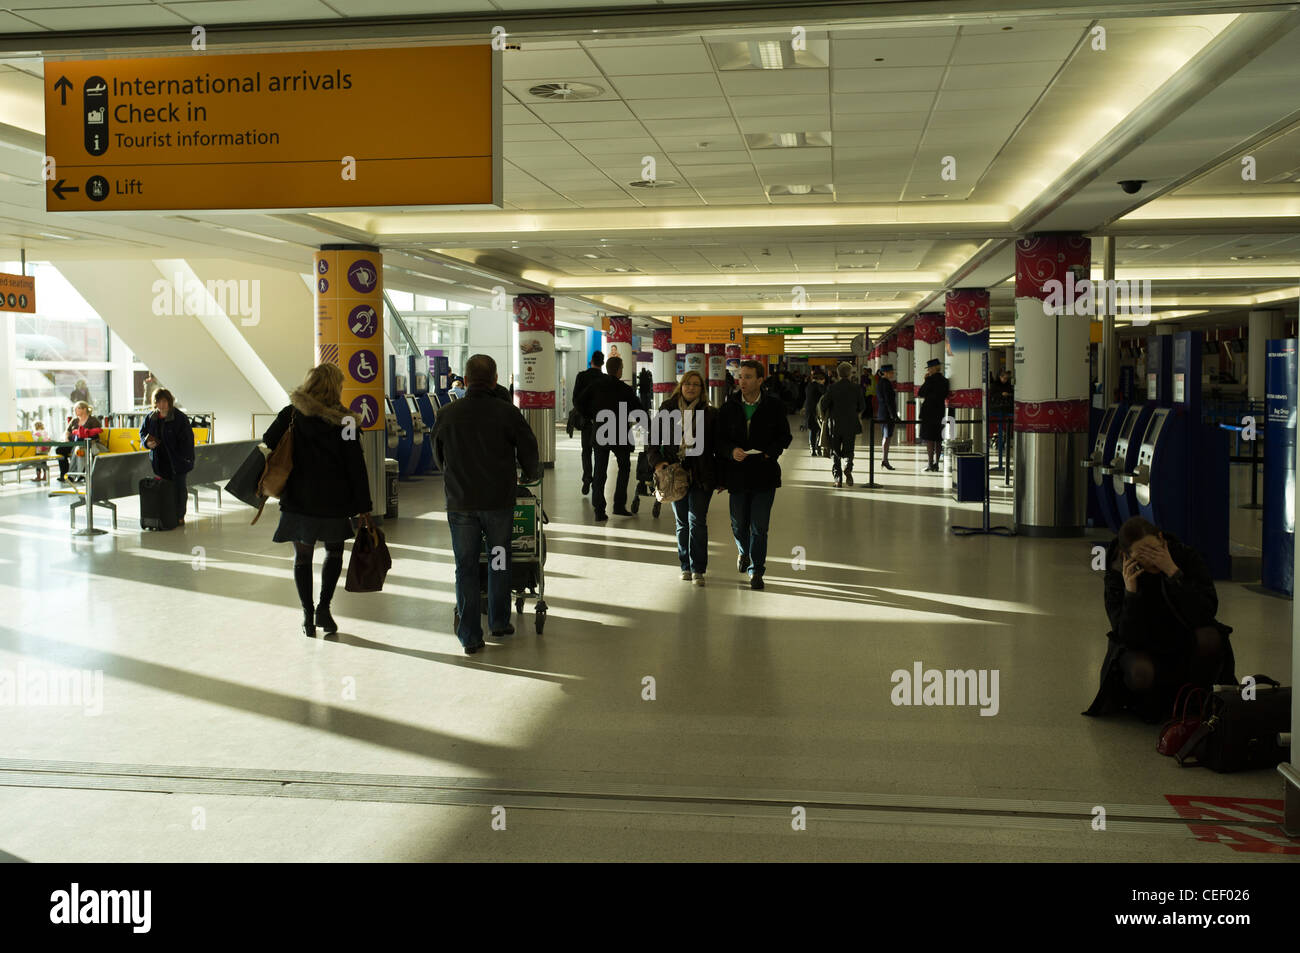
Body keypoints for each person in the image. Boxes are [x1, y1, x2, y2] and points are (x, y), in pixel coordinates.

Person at [433, 354, 540, 655]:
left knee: (465, 567)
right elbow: (529, 451)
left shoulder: (446, 413)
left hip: (461, 501)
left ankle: (469, 636)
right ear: (494, 380)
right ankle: (499, 621)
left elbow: (437, 456)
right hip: (498, 501)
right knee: (498, 559)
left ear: (465, 380)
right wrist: (530, 474)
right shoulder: (507, 413)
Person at [1083, 517, 1235, 723]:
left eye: (1154, 550)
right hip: (1143, 645)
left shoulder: (1184, 556)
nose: (1151, 560)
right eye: (1142, 555)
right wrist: (1131, 593)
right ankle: (1147, 705)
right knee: (1140, 672)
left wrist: (1174, 573)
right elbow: (1126, 636)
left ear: (1162, 540)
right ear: (1126, 556)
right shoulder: (1118, 571)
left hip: (1182, 638)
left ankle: (1194, 702)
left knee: (1210, 637)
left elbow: (1206, 612)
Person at [263, 364, 374, 639]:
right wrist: (364, 507)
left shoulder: (293, 414)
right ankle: (324, 608)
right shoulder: (345, 421)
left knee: (303, 557)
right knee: (333, 553)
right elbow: (355, 466)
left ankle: (307, 615)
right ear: (335, 387)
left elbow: (268, 439)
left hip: (299, 499)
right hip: (334, 501)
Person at [718, 360, 791, 590]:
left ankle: (757, 571)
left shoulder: (774, 406)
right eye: (741, 376)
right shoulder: (729, 406)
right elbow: (719, 439)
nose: (743, 381)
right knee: (739, 524)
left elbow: (784, 436)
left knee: (759, 526)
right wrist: (731, 451)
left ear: (760, 380)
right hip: (737, 474)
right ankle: (743, 552)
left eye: (748, 377)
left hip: (764, 473)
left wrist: (771, 453)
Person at [647, 370, 720, 585]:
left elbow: (717, 446)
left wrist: (721, 476)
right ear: (681, 386)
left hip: (701, 473)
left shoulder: (709, 413)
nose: (691, 388)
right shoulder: (667, 409)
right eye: (687, 383)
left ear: (702, 389)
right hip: (674, 474)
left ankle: (698, 568)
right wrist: (658, 462)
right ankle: (685, 565)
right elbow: (653, 438)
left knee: (697, 521)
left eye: (696, 385)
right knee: (682, 523)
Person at [577, 355, 640, 522]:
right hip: (620, 431)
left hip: (600, 431)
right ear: (619, 370)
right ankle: (619, 505)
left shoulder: (595, 386)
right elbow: (638, 409)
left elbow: (579, 402)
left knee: (599, 470)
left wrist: (591, 415)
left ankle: (599, 509)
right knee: (624, 467)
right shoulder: (625, 389)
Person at [139, 388, 196, 526]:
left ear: (169, 402)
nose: (161, 405)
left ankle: (179, 516)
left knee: (179, 489)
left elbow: (188, 440)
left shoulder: (179, 418)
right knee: (164, 489)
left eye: (164, 401)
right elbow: (143, 433)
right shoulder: (151, 418)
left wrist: (184, 458)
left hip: (178, 461)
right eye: (158, 402)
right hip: (159, 461)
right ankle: (166, 515)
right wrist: (147, 443)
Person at [821, 362, 866, 487]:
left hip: (835, 425)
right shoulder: (856, 388)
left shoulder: (832, 388)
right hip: (851, 424)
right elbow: (862, 406)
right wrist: (853, 413)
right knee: (849, 449)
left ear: (839, 374)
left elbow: (824, 404)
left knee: (835, 452)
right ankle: (848, 466)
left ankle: (838, 479)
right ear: (850, 373)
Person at [571, 351, 605, 496]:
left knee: (586, 451)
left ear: (591, 361)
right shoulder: (605, 379)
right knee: (599, 452)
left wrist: (585, 415)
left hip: (586, 422)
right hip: (601, 422)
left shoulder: (582, 376)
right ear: (602, 363)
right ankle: (597, 481)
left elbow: (575, 399)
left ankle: (587, 478)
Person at [916, 358, 949, 472]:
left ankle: (930, 463)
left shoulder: (929, 380)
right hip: (939, 411)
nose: (928, 370)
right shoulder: (945, 381)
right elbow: (945, 394)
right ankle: (937, 463)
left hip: (928, 413)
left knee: (929, 439)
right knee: (938, 439)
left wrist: (926, 380)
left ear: (934, 368)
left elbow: (920, 393)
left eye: (929, 368)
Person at [56, 401, 101, 482]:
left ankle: (76, 474)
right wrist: (66, 439)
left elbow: (95, 433)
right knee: (59, 450)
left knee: (79, 449)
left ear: (84, 409)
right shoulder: (74, 420)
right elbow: (67, 431)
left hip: (87, 444)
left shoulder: (93, 420)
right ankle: (64, 474)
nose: (74, 411)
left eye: (76, 408)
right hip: (74, 442)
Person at [875, 363, 899, 471]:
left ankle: (885, 459)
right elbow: (889, 401)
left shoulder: (881, 383)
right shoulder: (886, 384)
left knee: (886, 436)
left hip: (882, 413)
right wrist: (894, 415)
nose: (893, 373)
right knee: (887, 436)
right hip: (887, 414)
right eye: (891, 372)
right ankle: (884, 459)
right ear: (885, 373)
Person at [989, 368, 1014, 459]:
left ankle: (1004, 439)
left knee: (1005, 426)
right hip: (997, 408)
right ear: (999, 377)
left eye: (1006, 378)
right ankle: (999, 440)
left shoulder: (1008, 386)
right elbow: (992, 395)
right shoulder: (994, 385)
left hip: (1006, 408)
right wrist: (1001, 394)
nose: (1005, 380)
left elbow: (1012, 393)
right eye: (1003, 378)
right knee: (999, 426)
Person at [802, 370, 826, 456]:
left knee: (812, 430)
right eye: (823, 380)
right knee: (819, 429)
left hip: (809, 410)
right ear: (820, 379)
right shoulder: (819, 386)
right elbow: (824, 396)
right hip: (818, 411)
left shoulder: (808, 386)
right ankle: (818, 448)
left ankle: (812, 449)